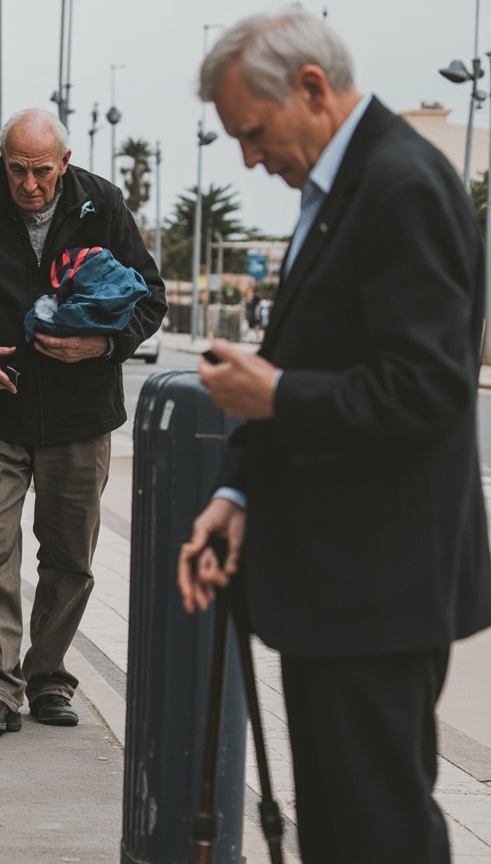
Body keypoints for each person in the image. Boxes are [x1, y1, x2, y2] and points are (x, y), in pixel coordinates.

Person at [177, 10, 491, 863]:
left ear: (312, 89)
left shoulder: (403, 185)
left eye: (252, 132)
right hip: (343, 583)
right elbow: (305, 357)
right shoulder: (347, 187)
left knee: (378, 831)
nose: (248, 158)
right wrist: (236, 494)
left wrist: (272, 394)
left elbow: (426, 388)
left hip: (379, 588)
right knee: (342, 830)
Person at [0, 108, 166, 737]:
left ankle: (49, 675)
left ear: (65, 164)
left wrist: (103, 348)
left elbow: (150, 297)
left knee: (70, 557)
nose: (28, 184)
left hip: (81, 415)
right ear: (2, 160)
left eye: (41, 172)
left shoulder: (101, 204)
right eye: (17, 170)